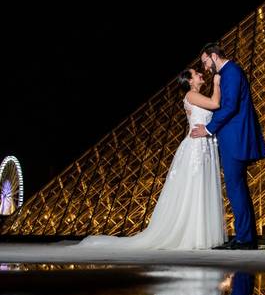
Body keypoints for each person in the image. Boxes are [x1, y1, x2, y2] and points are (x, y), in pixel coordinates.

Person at [76, 68, 226, 250]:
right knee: (194, 189)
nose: (201, 74)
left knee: (200, 189)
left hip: (203, 147)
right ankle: (194, 236)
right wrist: (217, 82)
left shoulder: (196, 96)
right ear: (189, 81)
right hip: (196, 148)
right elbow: (215, 103)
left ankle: (199, 235)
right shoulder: (191, 95)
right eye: (196, 74)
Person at [190, 43, 265, 250]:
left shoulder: (231, 72)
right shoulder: (229, 72)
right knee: (237, 188)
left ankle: (245, 239)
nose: (205, 68)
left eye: (205, 62)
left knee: (235, 188)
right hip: (234, 137)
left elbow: (230, 106)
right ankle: (245, 236)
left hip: (235, 139)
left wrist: (208, 129)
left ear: (214, 56)